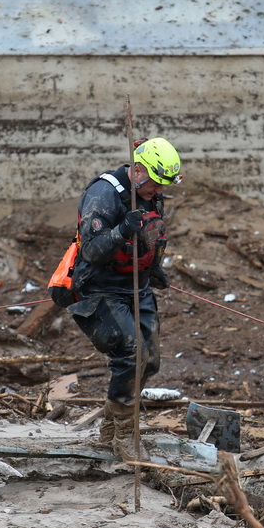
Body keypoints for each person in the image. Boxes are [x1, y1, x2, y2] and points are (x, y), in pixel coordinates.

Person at [66, 137, 182, 462]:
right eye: (156, 184)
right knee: (133, 354)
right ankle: (124, 433)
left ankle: (109, 425)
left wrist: (153, 269)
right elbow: (91, 250)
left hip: (135, 285)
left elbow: (151, 236)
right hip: (99, 289)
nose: (158, 192)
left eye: (163, 187)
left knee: (151, 359)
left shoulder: (150, 193)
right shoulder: (103, 195)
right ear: (140, 169)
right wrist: (120, 230)